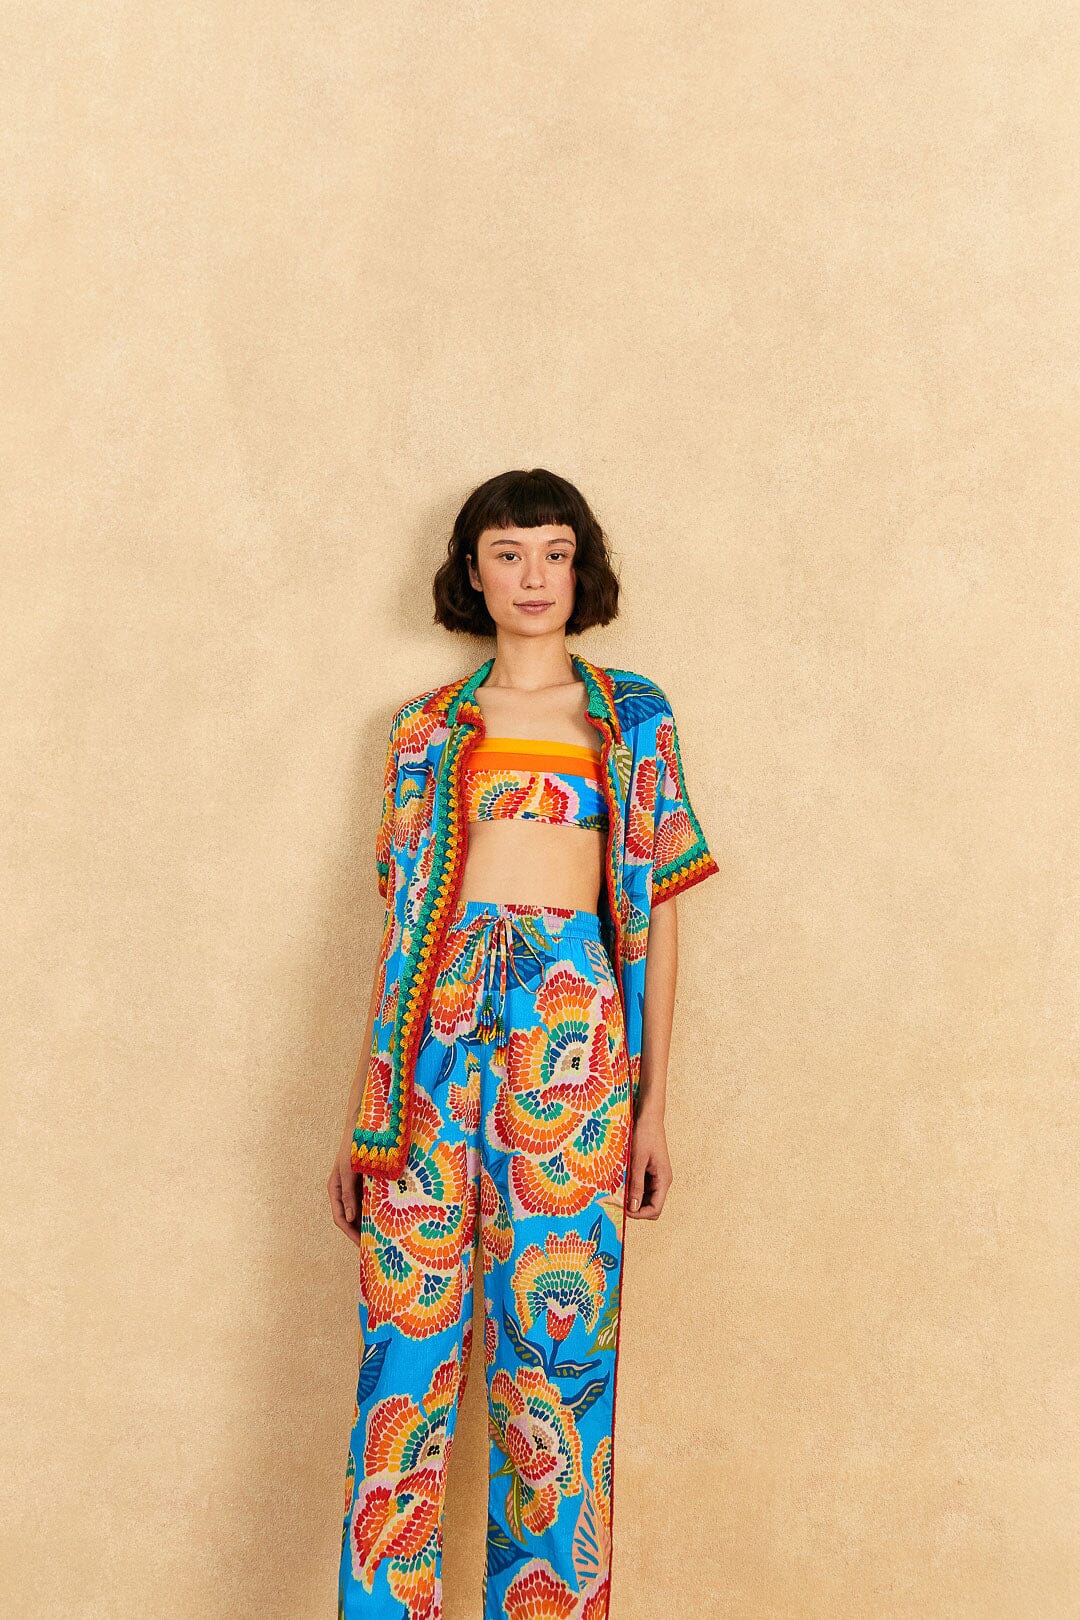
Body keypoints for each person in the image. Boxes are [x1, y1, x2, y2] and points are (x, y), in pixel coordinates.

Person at [330, 467, 720, 1619]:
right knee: (404, 1357)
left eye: (554, 552)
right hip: (432, 1050)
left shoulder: (631, 718)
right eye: (508, 554)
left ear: (580, 568)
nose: (533, 576)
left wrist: (651, 1109)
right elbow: (403, 930)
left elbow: (656, 918)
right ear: (473, 572)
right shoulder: (423, 731)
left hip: (573, 1049)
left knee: (555, 1370)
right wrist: (364, 1112)